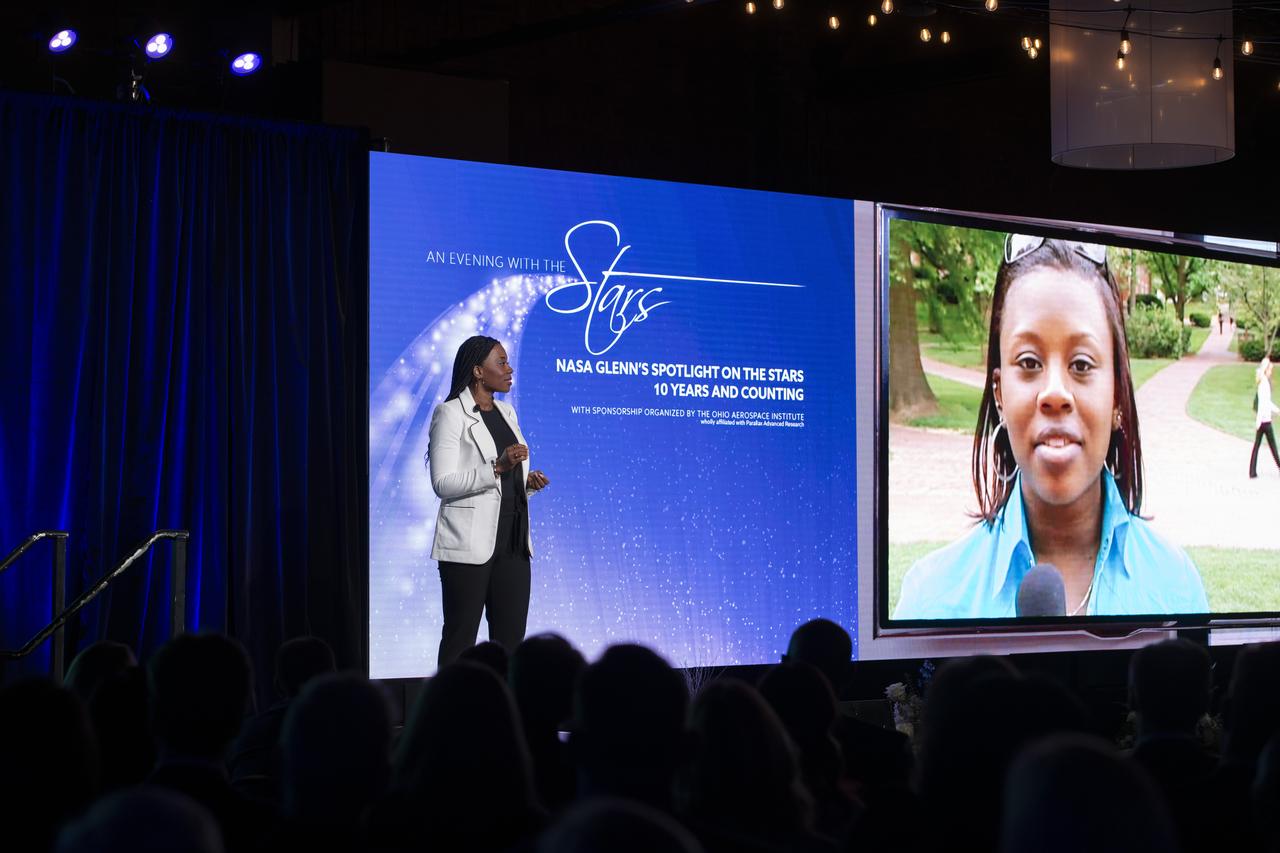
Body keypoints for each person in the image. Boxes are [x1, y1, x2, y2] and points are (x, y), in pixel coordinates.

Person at [895, 235, 1207, 619]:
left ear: (1116, 398)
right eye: (1028, 362)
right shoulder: (930, 600)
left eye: (1081, 365)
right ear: (999, 394)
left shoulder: (1176, 588)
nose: (1055, 393)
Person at [427, 335, 550, 666]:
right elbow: (442, 483)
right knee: (459, 638)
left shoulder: (507, 412)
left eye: (508, 362)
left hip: (513, 542)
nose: (509, 369)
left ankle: (505, 714)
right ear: (478, 371)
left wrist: (528, 484)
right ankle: (450, 713)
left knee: (511, 643)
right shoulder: (449, 414)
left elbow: (504, 484)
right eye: (501, 363)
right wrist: (497, 466)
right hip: (469, 546)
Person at [1250, 355, 1280, 478]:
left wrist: (1277, 410)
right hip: (1264, 421)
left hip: (1263, 420)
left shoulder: (1263, 383)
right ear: (1266, 370)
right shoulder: (1264, 384)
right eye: (1270, 370)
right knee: (1272, 445)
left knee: (1258, 446)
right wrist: (1259, 421)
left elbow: (1266, 403)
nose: (1271, 372)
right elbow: (1263, 403)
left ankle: (1252, 471)